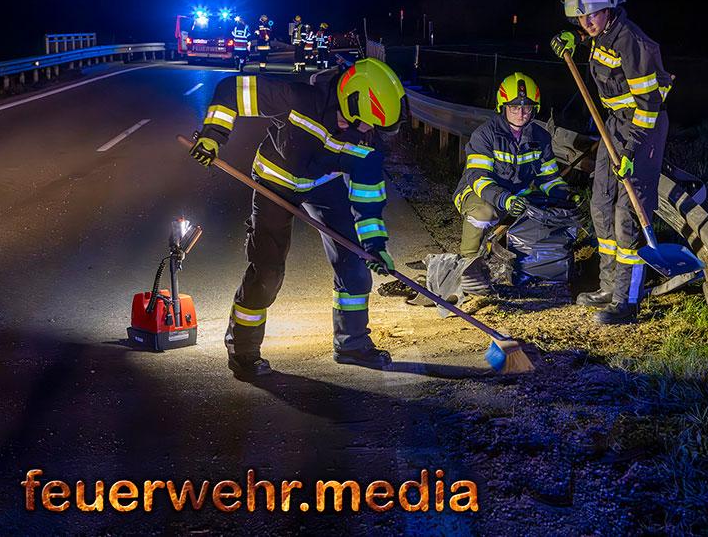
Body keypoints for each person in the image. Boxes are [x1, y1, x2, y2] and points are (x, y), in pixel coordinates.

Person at [188, 58, 406, 378]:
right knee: (267, 273)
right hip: (274, 182)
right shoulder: (295, 99)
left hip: (323, 186)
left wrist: (375, 245)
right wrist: (212, 136)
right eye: (366, 123)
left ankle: (352, 344)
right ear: (351, 102)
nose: (369, 132)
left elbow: (367, 198)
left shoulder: (367, 142)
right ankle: (243, 351)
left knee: (356, 265)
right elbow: (232, 89)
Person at [551, 0, 674, 325]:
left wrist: (631, 151)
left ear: (609, 8)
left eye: (590, 15)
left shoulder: (633, 43)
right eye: (579, 18)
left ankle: (627, 299)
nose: (586, 23)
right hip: (614, 125)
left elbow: (649, 106)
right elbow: (594, 40)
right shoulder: (602, 33)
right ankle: (608, 286)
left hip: (643, 129)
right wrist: (573, 39)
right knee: (601, 204)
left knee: (626, 214)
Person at [452, 72, 572, 261]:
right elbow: (478, 178)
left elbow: (549, 178)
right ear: (503, 107)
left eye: (526, 108)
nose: (520, 114)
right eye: (514, 107)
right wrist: (505, 200)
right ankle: (468, 261)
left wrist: (564, 195)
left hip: (517, 197)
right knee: (483, 213)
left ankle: (524, 261)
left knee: (545, 212)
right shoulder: (485, 135)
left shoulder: (541, 138)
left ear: (534, 109)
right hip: (479, 193)